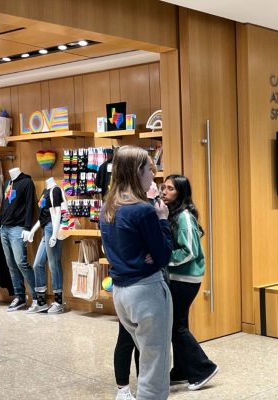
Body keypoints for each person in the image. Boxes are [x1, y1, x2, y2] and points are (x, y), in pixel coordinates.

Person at [100, 145, 173, 399]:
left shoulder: (107, 207)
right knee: (155, 364)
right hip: (147, 292)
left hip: (121, 293)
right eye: (149, 170)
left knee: (144, 352)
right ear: (137, 171)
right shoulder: (143, 210)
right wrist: (163, 220)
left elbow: (120, 249)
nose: (153, 176)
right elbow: (163, 256)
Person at [161, 175, 219, 391]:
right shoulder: (173, 214)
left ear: (181, 193)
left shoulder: (183, 217)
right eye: (163, 187)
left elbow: (190, 251)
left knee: (175, 326)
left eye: (170, 189)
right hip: (179, 278)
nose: (164, 192)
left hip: (184, 279)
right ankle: (182, 369)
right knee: (180, 324)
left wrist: (164, 257)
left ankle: (204, 368)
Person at [0, 167, 36, 311]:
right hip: (4, 228)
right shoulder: (7, 182)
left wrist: (28, 228)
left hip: (18, 228)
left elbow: (30, 206)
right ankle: (20, 296)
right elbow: (4, 207)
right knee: (11, 264)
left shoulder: (27, 183)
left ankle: (37, 297)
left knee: (21, 262)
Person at [25, 177, 65, 314]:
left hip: (52, 229)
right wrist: (32, 231)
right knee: (37, 264)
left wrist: (54, 234)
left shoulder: (56, 190)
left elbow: (58, 213)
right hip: (45, 229)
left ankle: (59, 303)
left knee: (54, 264)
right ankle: (41, 303)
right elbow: (43, 216)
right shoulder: (45, 191)